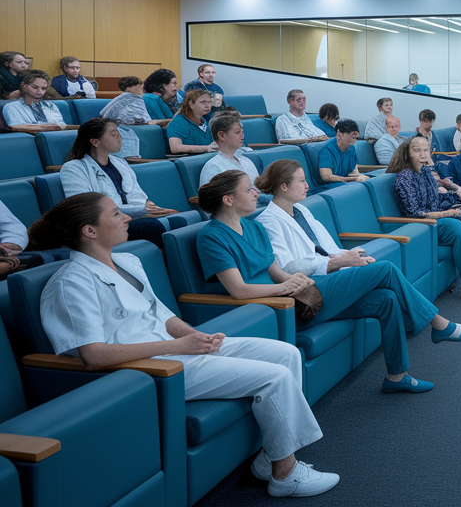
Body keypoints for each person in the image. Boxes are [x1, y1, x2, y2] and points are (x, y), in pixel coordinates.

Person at [32, 192, 341, 497]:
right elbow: (94, 355)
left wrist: (194, 337)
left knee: (287, 354)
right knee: (275, 377)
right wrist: (180, 347)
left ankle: (269, 456)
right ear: (89, 231)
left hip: (175, 348)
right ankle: (285, 475)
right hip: (146, 370)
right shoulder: (70, 283)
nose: (127, 216)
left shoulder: (127, 261)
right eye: (115, 214)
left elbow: (162, 315)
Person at [246, 163, 461, 390]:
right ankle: (438, 323)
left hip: (329, 281)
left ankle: (397, 376)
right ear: (284, 186)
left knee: (387, 299)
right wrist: (337, 262)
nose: (308, 185)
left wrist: (348, 254)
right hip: (307, 296)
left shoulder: (302, 210)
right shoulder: (268, 221)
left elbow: (326, 247)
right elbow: (287, 268)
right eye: (302, 180)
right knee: (385, 269)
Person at [386, 137, 461, 291]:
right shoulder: (405, 178)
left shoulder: (425, 172)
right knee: (459, 224)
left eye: (425, 150)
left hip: (438, 218)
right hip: (421, 225)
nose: (422, 154)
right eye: (416, 150)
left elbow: (437, 200)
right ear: (408, 153)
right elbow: (416, 214)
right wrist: (450, 213)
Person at [59, 118, 193, 247]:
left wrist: (147, 205)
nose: (120, 137)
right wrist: (141, 210)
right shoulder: (74, 168)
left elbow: (138, 194)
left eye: (118, 133)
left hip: (131, 218)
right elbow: (87, 208)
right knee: (151, 226)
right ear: (95, 142)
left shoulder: (120, 162)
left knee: (179, 222)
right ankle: (165, 267)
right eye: (113, 134)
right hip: (102, 225)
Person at [199, 112, 263, 192]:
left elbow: (258, 192)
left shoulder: (247, 162)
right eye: (237, 132)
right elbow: (209, 200)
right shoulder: (213, 166)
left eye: (242, 132)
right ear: (222, 135)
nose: (242, 136)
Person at [2, 70, 66, 133]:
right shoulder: (12, 107)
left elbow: (61, 126)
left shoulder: (51, 105)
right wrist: (51, 127)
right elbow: (16, 128)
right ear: (25, 87)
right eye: (35, 87)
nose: (40, 92)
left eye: (43, 88)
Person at [166, 88, 218, 154]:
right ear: (191, 104)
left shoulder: (204, 122)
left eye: (209, 102)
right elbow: (175, 148)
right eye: (203, 102)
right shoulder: (178, 122)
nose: (207, 106)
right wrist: (206, 148)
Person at [317, 120, 369, 185]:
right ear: (339, 134)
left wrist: (361, 177)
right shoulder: (327, 150)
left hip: (344, 184)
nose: (354, 140)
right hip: (329, 186)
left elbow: (353, 172)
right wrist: (351, 179)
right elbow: (326, 177)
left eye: (355, 137)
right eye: (352, 137)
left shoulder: (351, 148)